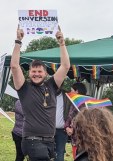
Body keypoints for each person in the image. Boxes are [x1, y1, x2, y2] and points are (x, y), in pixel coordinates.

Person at [10, 25, 70, 161]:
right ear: (29, 73)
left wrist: (62, 43)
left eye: (39, 71)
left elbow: (65, 66)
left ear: (45, 73)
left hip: (50, 140)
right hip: (32, 140)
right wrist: (18, 41)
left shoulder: (52, 85)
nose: (36, 74)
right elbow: (14, 66)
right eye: (33, 71)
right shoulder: (24, 88)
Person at [64, 82, 87, 159]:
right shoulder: (73, 103)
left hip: (83, 138)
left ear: (77, 91)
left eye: (72, 90)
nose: (70, 92)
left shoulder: (85, 104)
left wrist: (72, 129)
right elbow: (70, 117)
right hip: (74, 139)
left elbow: (83, 121)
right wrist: (67, 127)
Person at [54, 86, 69, 161]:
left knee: (60, 153)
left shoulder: (67, 95)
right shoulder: (47, 93)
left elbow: (71, 111)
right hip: (48, 130)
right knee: (46, 152)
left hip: (62, 131)